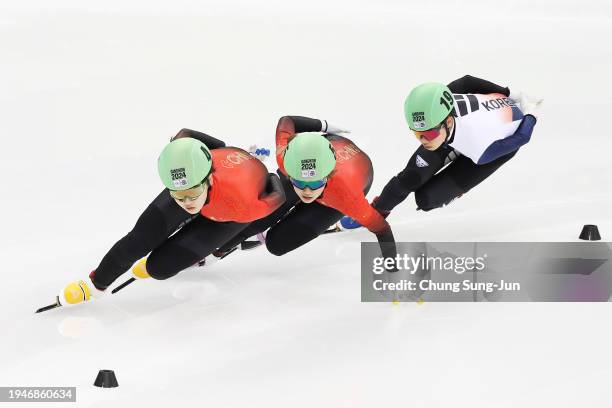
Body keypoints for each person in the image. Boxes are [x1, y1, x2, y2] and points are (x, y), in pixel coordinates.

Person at [57, 129, 285, 307]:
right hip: (210, 171)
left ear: (209, 180)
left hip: (230, 208)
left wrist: (271, 177)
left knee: (159, 268)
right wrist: (96, 283)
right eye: (178, 195)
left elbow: (278, 195)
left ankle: (220, 250)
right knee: (140, 239)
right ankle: (96, 286)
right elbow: (185, 134)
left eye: (192, 195)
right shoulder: (185, 180)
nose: (187, 203)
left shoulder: (245, 203)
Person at [339, 74, 541, 228]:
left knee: (427, 199)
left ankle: (450, 189)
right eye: (418, 134)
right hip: (456, 133)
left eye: (428, 134)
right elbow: (466, 81)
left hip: (493, 144)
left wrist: (530, 114)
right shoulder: (442, 108)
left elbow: (521, 138)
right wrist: (508, 92)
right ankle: (378, 211)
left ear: (449, 121)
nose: (424, 141)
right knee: (410, 177)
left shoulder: (479, 147)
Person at [213, 116, 397, 262]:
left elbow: (382, 229)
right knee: (259, 216)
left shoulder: (347, 196)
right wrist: (323, 125)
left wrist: (393, 270)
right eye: (300, 184)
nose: (307, 191)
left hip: (345, 185)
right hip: (317, 159)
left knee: (277, 244)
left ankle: (328, 218)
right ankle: (223, 248)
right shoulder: (286, 160)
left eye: (315, 184)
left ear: (328, 176)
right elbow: (287, 121)